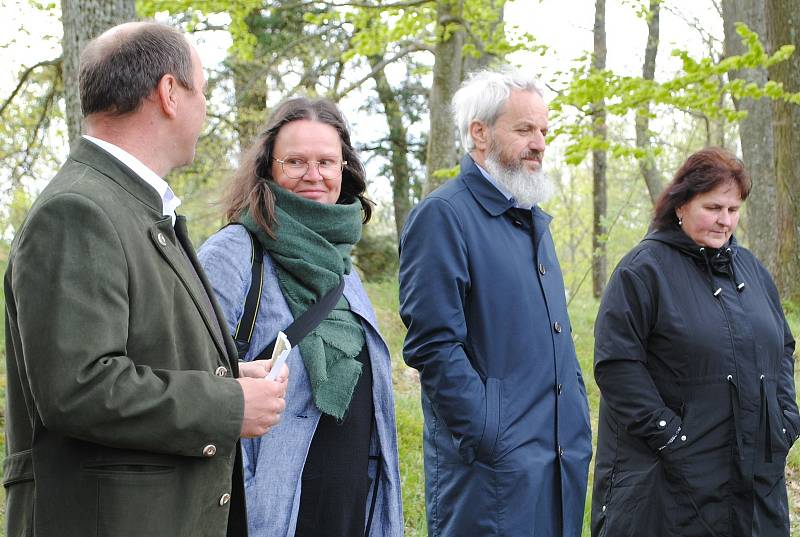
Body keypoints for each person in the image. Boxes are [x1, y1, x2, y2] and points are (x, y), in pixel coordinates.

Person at [3, 21, 288, 537]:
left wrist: (226, 374)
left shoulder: (131, 205)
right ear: (170, 93)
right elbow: (79, 387)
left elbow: (137, 349)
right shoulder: (77, 210)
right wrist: (227, 407)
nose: (205, 110)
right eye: (202, 91)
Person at [398, 68, 592, 537]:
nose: (540, 143)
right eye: (524, 129)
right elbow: (434, 346)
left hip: (556, 460)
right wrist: (490, 432)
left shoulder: (531, 222)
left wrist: (576, 417)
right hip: (491, 474)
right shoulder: (444, 217)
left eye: (544, 130)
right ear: (479, 133)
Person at [198, 96, 403, 537]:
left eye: (327, 161)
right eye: (295, 161)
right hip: (265, 507)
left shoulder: (343, 266)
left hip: (348, 504)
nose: (314, 176)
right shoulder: (233, 254)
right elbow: (188, 374)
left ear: (344, 168)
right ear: (268, 168)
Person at [591, 147, 799, 537]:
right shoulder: (643, 271)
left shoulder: (751, 270)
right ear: (681, 205)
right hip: (669, 483)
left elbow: (782, 348)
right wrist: (670, 434)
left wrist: (785, 418)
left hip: (755, 480)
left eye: (733, 210)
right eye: (714, 207)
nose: (725, 221)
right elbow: (616, 365)